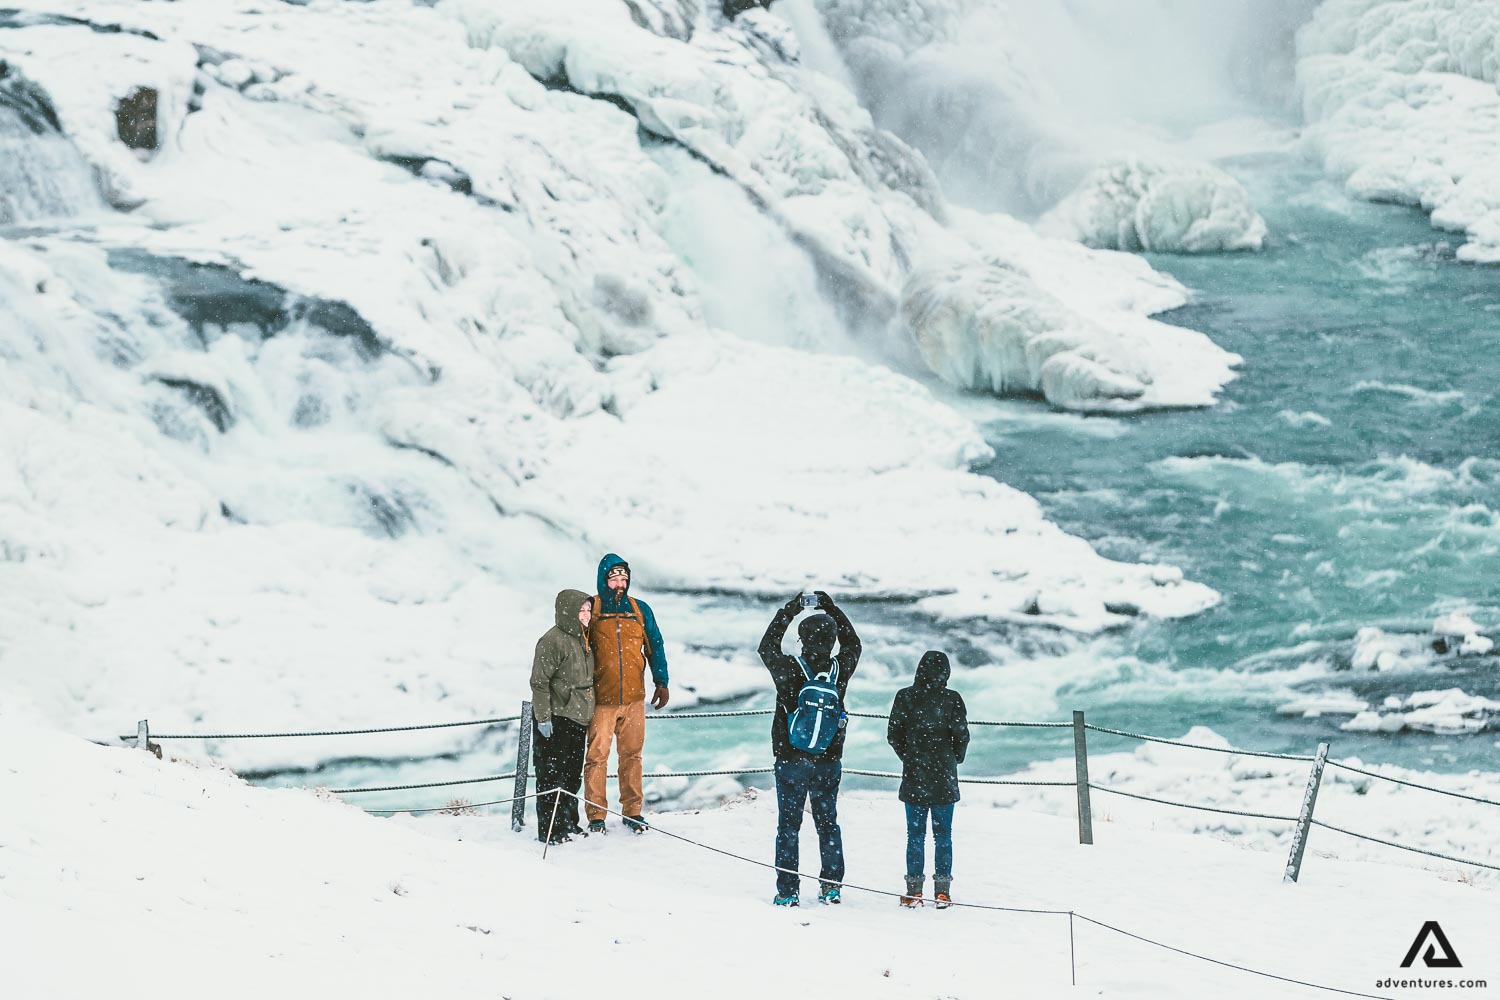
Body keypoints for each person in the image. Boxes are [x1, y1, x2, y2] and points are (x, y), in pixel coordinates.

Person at [758, 590, 861, 906]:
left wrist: (789, 611)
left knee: (788, 827)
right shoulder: (838, 671)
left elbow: (766, 647)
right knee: (827, 823)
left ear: (802, 640)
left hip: (790, 759)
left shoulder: (788, 669)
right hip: (828, 759)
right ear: (831, 642)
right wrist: (831, 608)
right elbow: (853, 644)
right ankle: (831, 886)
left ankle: (788, 891)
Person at [584, 553, 669, 834]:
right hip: (601, 700)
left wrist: (662, 681)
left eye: (623, 579)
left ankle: (633, 813)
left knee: (632, 756)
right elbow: (577, 651)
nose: (620, 584)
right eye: (614, 579)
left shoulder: (640, 609)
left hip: (634, 699)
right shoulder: (591, 609)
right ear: (603, 580)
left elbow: (655, 646)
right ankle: (596, 816)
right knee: (597, 758)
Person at [886, 650, 969, 909]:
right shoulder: (952, 699)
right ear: (946, 673)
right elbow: (962, 735)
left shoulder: (905, 697)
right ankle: (942, 893)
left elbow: (893, 734)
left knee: (915, 835)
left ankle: (914, 892)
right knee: (943, 835)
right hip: (944, 775)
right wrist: (954, 758)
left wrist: (909, 756)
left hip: (915, 774)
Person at [529, 589, 595, 843]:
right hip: (556, 718)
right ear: (568, 612)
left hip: (578, 717)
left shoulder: (583, 637)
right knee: (550, 777)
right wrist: (543, 717)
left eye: (588, 610)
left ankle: (569, 823)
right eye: (581, 610)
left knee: (570, 775)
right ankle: (550, 831)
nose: (586, 615)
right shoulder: (552, 640)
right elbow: (539, 682)